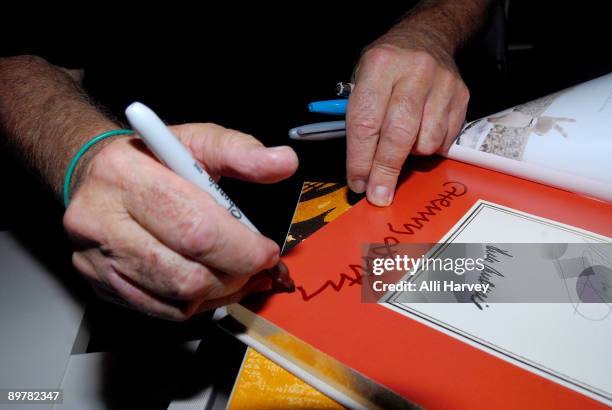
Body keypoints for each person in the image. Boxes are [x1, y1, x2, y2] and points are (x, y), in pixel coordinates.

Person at [0, 0, 490, 320]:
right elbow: (15, 61)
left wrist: (430, 30)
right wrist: (85, 155)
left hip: (413, 164)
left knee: (532, 290)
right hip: (157, 210)